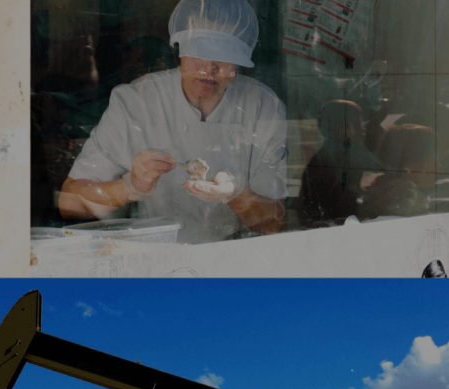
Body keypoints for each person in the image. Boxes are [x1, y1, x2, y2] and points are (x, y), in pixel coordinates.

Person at [58, 0, 287, 244]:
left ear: (240, 60)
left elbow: (273, 223)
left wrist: (236, 193)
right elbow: (69, 202)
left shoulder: (263, 106)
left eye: (223, 56)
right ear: (180, 49)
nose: (209, 69)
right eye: (200, 51)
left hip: (233, 260)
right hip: (157, 258)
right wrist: (131, 187)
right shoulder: (136, 101)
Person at [298, 100, 380, 227]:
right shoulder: (327, 162)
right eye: (357, 125)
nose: (363, 130)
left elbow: (379, 167)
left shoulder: (353, 152)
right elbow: (341, 203)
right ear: (339, 129)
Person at [358, 123, 436, 220]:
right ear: (410, 164)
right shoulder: (407, 198)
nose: (439, 166)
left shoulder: (381, 187)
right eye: (433, 160)